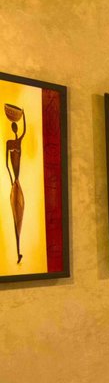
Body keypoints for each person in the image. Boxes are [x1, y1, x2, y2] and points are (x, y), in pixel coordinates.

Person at [5, 106, 26, 264]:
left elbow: (25, 130)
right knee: (15, 213)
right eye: (14, 127)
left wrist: (23, 115)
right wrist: (12, 179)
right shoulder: (10, 143)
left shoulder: (18, 141)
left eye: (15, 127)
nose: (15, 129)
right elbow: (7, 164)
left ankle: (19, 251)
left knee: (19, 211)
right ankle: (18, 251)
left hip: (17, 182)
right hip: (15, 183)